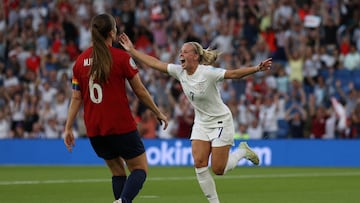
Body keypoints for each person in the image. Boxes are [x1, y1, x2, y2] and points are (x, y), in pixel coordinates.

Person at [119, 33, 272, 203]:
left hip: (221, 120)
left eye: (185, 52)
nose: (181, 55)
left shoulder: (208, 73)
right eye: (180, 52)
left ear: (195, 56)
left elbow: (234, 74)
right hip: (201, 122)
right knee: (199, 163)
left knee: (218, 169)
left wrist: (257, 68)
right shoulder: (180, 72)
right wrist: (132, 51)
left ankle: (242, 151)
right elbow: (155, 63)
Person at [63, 14, 168, 203]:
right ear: (112, 32)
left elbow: (76, 97)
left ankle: (121, 200)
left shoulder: (79, 61)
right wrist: (157, 112)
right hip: (120, 126)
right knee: (140, 169)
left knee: (117, 172)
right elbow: (140, 91)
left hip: (95, 129)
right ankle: (123, 201)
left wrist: (68, 127)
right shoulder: (121, 58)